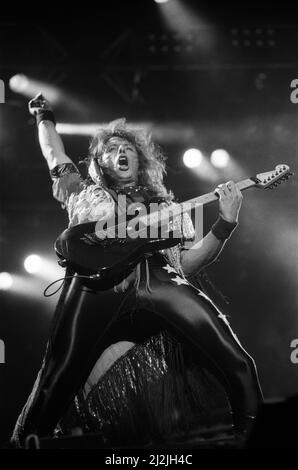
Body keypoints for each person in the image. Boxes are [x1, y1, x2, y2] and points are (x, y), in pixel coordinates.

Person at [11, 93, 263, 447]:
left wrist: (226, 222)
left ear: (139, 158)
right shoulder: (82, 191)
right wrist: (43, 117)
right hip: (94, 288)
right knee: (57, 379)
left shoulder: (166, 206)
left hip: (157, 280)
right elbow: (55, 153)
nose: (122, 152)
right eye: (112, 148)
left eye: (127, 148)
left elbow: (188, 264)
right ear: (100, 161)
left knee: (237, 360)